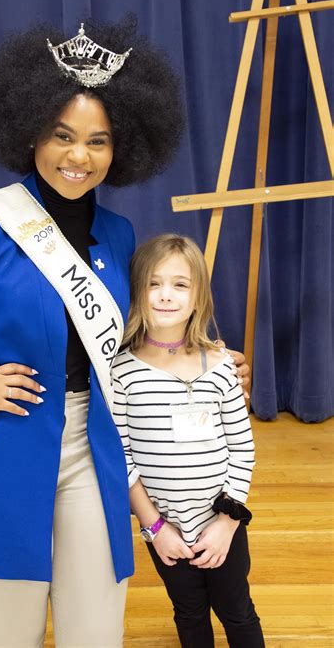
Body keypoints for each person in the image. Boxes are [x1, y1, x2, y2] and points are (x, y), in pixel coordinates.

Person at [0, 17, 248, 647]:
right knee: (8, 637)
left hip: (96, 453)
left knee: (95, 634)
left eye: (98, 141)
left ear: (120, 149)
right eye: (63, 135)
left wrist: (204, 363)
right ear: (30, 132)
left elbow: (132, 339)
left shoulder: (118, 236)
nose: (79, 156)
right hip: (5, 445)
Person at [111, 233, 264, 648]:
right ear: (136, 291)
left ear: (198, 297)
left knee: (237, 610)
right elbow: (120, 456)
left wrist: (228, 523)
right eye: (153, 283)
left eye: (180, 284)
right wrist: (155, 527)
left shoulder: (220, 366)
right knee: (189, 612)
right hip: (165, 529)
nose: (165, 295)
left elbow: (242, 447)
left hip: (221, 524)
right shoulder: (122, 372)